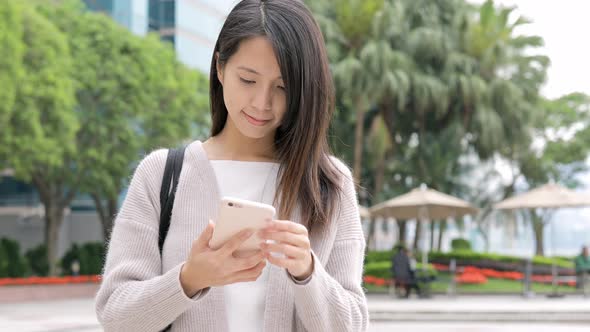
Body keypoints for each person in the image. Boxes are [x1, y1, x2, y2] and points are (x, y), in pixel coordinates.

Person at [94, 1, 368, 331]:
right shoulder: (161, 175)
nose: (261, 103)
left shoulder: (329, 183)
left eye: (282, 87)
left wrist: (308, 273)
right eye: (248, 80)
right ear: (220, 68)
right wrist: (189, 279)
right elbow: (115, 316)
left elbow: (353, 325)